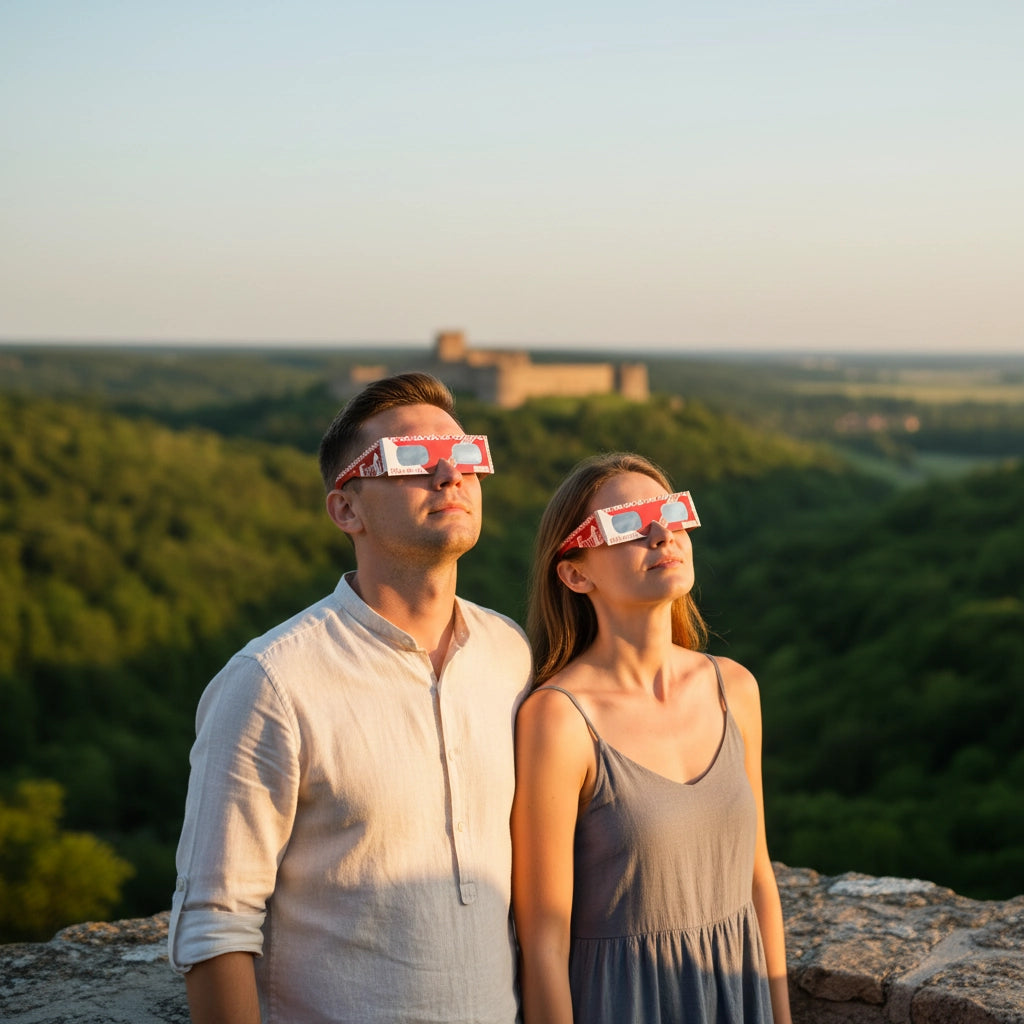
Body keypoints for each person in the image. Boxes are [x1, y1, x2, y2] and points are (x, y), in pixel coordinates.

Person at [169, 372, 533, 1024]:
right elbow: (215, 924)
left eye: (467, 455)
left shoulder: (510, 654)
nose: (450, 473)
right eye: (411, 458)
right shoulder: (271, 682)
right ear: (346, 509)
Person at [511, 452, 792, 1024]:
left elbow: (759, 877)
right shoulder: (559, 719)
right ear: (574, 572)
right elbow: (542, 942)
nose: (662, 533)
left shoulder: (733, 688)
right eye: (625, 524)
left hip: (738, 1000)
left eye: (669, 511)